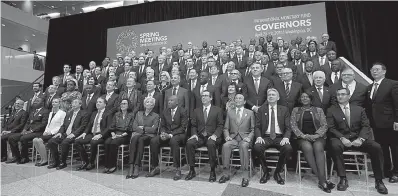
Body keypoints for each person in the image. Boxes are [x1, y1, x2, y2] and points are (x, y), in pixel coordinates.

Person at [327, 87, 387, 194]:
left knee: (376, 147)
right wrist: (342, 138)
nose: (340, 96)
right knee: (334, 145)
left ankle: (379, 181)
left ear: (349, 96)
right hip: (341, 139)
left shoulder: (359, 109)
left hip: (358, 139)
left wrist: (361, 138)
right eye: (338, 95)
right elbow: (331, 128)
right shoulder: (331, 110)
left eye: (343, 94)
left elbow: (366, 126)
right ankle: (343, 178)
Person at [291, 92, 334, 193]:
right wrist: (303, 136)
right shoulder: (295, 110)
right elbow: (293, 125)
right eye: (302, 97)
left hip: (318, 136)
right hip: (302, 137)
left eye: (307, 97)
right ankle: (323, 180)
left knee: (318, 147)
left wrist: (316, 135)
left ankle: (322, 180)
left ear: (311, 99)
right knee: (307, 148)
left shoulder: (318, 110)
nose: (304, 98)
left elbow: (324, 125)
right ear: (300, 99)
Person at [253, 88, 293, 185]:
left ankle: (277, 172)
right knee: (257, 147)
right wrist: (258, 137)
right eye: (269, 95)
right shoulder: (261, 110)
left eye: (273, 95)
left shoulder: (284, 109)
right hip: (265, 137)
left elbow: (288, 127)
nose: (270, 96)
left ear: (278, 97)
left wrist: (286, 137)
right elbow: (257, 126)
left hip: (280, 137)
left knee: (288, 148)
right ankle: (266, 172)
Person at [367, 62, 398, 183]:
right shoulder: (370, 87)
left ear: (384, 71)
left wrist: (397, 120)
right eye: (372, 69)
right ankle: (385, 171)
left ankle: (396, 172)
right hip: (376, 123)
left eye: (377, 69)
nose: (374, 71)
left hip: (391, 123)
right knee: (382, 148)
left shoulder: (392, 84)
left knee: (394, 147)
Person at [185, 90, 224, 182]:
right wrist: (194, 134)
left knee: (211, 144)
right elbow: (193, 125)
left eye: (206, 95)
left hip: (212, 136)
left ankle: (212, 170)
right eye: (202, 96)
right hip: (200, 136)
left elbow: (220, 125)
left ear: (211, 98)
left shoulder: (218, 110)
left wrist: (215, 135)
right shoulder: (196, 110)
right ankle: (192, 170)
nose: (204, 97)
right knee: (189, 143)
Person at [147, 95, 188, 180]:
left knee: (173, 141)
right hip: (166, 134)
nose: (169, 102)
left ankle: (177, 169)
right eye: (168, 100)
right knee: (154, 141)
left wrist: (170, 135)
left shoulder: (183, 111)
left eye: (171, 100)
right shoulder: (165, 111)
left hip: (178, 135)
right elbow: (162, 125)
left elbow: (183, 127)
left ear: (177, 102)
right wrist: (163, 133)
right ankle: (155, 167)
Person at [220, 93, 254, 187]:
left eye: (240, 98)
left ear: (244, 101)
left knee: (243, 146)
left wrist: (249, 137)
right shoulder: (230, 112)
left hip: (244, 139)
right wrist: (227, 136)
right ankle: (225, 174)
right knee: (225, 146)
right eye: (236, 98)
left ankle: (245, 176)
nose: (238, 100)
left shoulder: (250, 112)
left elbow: (253, 129)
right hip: (233, 138)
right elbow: (226, 128)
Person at [47, 99, 88, 169]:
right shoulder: (69, 113)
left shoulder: (84, 113)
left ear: (80, 105)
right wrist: (60, 132)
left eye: (75, 102)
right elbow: (63, 125)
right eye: (72, 102)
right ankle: (56, 161)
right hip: (65, 134)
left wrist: (74, 134)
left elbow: (83, 126)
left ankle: (63, 162)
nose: (73, 104)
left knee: (64, 143)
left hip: (76, 134)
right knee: (51, 141)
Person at [6, 97, 49, 164]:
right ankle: (17, 157)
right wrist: (24, 129)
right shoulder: (33, 111)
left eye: (37, 101)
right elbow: (28, 122)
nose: (35, 102)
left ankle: (25, 157)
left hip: (38, 132)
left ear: (42, 103)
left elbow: (43, 124)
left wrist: (31, 130)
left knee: (23, 138)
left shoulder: (45, 111)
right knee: (11, 138)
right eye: (34, 101)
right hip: (28, 131)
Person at [74, 97, 112, 171]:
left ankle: (91, 163)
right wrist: (84, 133)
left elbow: (109, 127)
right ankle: (85, 161)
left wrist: (101, 135)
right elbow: (89, 124)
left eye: (100, 102)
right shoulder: (94, 113)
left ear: (105, 104)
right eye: (97, 102)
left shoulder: (108, 113)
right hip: (92, 133)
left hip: (101, 135)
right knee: (77, 141)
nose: (98, 103)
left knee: (93, 142)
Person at [126, 97, 160, 179]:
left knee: (140, 139)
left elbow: (154, 129)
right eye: (147, 102)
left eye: (151, 102)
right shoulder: (138, 113)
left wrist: (143, 128)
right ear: (144, 104)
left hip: (149, 137)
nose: (149, 103)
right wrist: (146, 129)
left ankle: (137, 165)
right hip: (138, 135)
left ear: (153, 105)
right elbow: (134, 126)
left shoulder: (156, 116)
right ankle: (131, 165)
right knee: (135, 139)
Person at [103, 99, 134, 174]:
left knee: (114, 143)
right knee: (107, 142)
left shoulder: (131, 115)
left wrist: (120, 135)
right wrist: (113, 134)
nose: (122, 105)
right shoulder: (117, 114)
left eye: (124, 103)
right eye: (121, 104)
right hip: (116, 134)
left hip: (125, 135)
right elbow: (112, 126)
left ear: (128, 105)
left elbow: (130, 128)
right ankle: (106, 165)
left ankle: (112, 165)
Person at [32, 98, 66, 167]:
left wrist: (51, 132)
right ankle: (42, 158)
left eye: (56, 102)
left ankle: (45, 160)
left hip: (55, 133)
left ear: (59, 104)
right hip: (48, 132)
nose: (54, 103)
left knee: (39, 140)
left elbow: (62, 125)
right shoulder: (51, 113)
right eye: (53, 102)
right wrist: (45, 131)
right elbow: (48, 124)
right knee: (35, 140)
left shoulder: (62, 113)